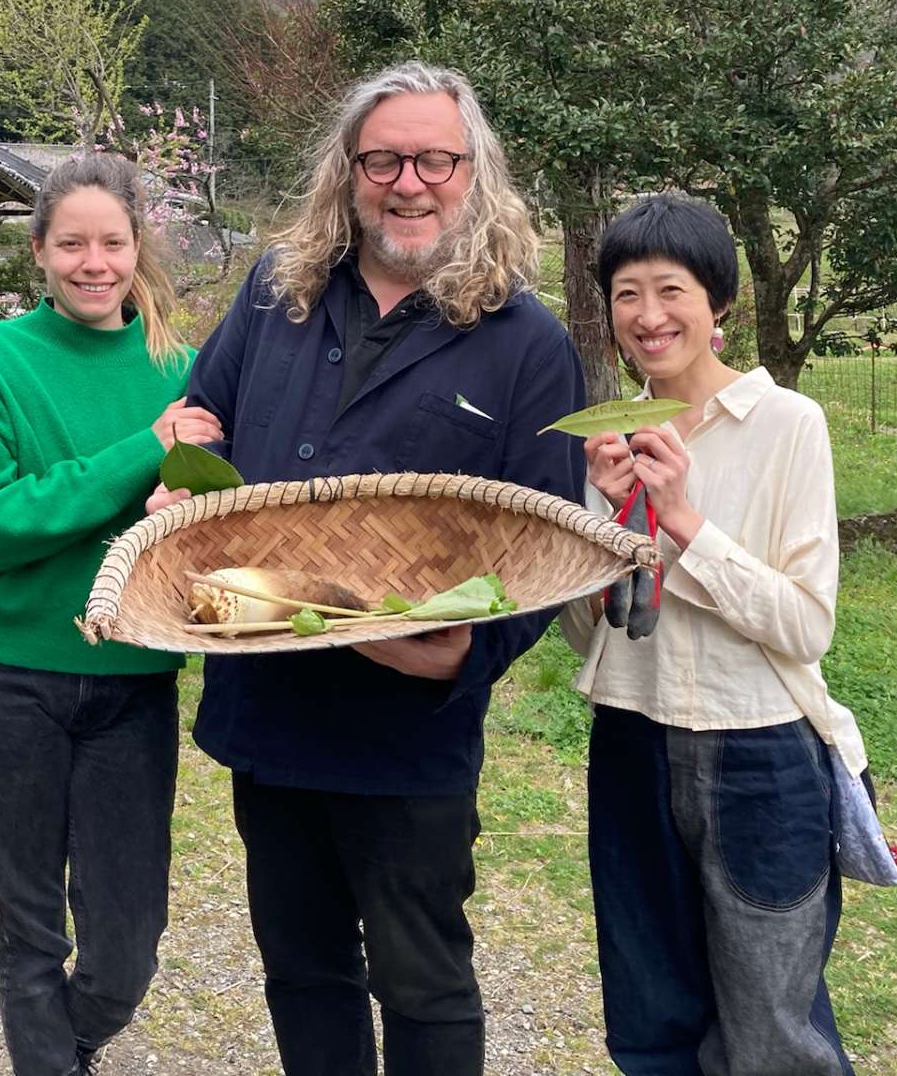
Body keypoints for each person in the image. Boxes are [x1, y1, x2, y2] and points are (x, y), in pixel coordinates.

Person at [149, 60, 587, 1076]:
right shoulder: (276, 295)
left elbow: (549, 542)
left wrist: (460, 660)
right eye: (384, 158)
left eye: (436, 159)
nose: (410, 182)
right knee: (302, 970)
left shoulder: (525, 343)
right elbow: (197, 422)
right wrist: (177, 459)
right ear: (347, 173)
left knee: (422, 980)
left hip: (408, 734)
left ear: (474, 174)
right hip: (272, 708)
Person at [0, 152, 222, 1076]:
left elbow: (214, 514)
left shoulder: (181, 369)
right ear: (39, 251)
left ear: (140, 247)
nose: (93, 263)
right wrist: (144, 454)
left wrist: (183, 513)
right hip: (3, 678)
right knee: (28, 929)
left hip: (131, 679)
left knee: (126, 949)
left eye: (112, 242)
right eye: (72, 244)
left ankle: (72, 1038)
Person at [559, 192, 866, 1076]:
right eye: (625, 294)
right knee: (650, 1008)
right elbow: (596, 640)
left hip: (759, 751)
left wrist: (683, 520)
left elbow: (806, 625)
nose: (648, 317)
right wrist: (607, 523)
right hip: (630, 737)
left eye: (670, 290)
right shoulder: (608, 436)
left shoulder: (786, 426)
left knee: (771, 1022)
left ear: (718, 302)